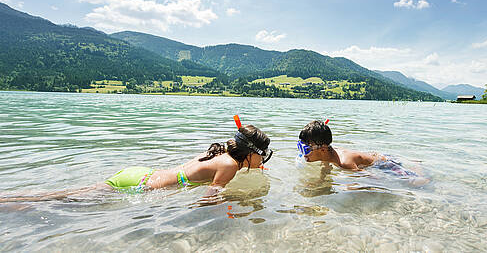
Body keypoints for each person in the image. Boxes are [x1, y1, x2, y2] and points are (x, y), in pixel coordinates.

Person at [1, 124, 273, 202]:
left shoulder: (221, 155)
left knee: (70, 194)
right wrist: (236, 205)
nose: (263, 160)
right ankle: (14, 202)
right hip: (143, 187)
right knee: (58, 199)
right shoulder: (229, 166)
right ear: (250, 153)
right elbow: (209, 197)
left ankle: (17, 199)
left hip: (141, 173)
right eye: (262, 154)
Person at [297, 120, 429, 186]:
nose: (304, 155)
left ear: (323, 149)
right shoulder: (326, 153)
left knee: (418, 182)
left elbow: (374, 178)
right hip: (375, 156)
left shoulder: (345, 163)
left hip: (383, 164)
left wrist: (353, 186)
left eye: (306, 150)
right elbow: (326, 167)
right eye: (300, 148)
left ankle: (418, 166)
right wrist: (321, 181)